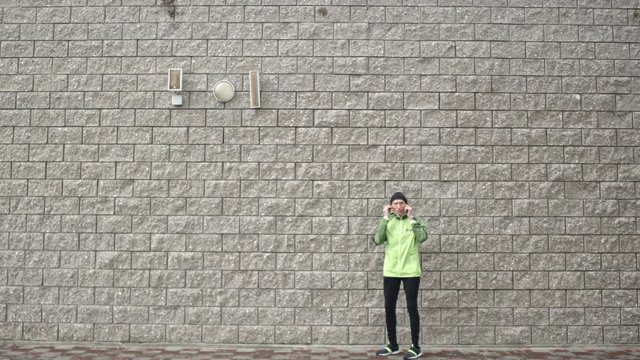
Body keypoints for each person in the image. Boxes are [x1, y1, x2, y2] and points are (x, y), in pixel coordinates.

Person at [373, 192, 428, 359]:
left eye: (401, 203)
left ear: (406, 205)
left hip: (410, 271)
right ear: (391, 206)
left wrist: (412, 220)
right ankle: (393, 344)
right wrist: (384, 218)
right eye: (395, 203)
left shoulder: (415, 221)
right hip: (391, 271)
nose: (398, 206)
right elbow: (377, 239)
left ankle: (415, 346)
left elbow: (423, 237)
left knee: (412, 307)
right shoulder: (387, 221)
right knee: (389, 307)